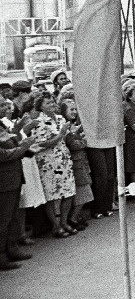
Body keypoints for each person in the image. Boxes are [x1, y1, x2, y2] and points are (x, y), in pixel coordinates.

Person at [29, 91, 77, 237]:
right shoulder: (38, 122)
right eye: (47, 103)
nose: (52, 105)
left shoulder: (60, 118)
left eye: (52, 102)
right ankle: (55, 226)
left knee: (69, 192)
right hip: (48, 162)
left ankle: (64, 221)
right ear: (40, 106)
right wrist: (60, 135)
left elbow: (67, 137)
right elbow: (41, 144)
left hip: (63, 160)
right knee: (52, 195)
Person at [0, 99, 38, 270]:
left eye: (6, 105)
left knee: (12, 216)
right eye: (1, 105)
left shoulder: (2, 125)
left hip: (13, 177)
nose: (7, 108)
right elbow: (4, 154)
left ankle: (12, 248)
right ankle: (2, 256)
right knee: (4, 219)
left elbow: (12, 142)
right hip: (4, 181)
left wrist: (19, 132)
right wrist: (24, 147)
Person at [62, 99, 92, 230]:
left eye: (75, 109)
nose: (74, 112)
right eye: (71, 109)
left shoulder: (73, 124)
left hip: (82, 161)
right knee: (83, 191)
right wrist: (84, 141)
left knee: (83, 191)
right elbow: (73, 144)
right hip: (75, 163)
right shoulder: (65, 126)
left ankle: (75, 216)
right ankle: (72, 218)